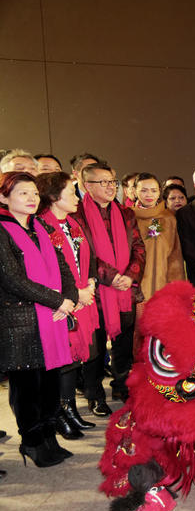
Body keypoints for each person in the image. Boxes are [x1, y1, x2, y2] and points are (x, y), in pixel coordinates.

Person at [0, 172, 77, 467]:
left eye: (34, 193)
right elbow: (12, 279)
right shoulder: (2, 231)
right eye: (22, 193)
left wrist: (68, 298)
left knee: (49, 383)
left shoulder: (40, 228)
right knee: (27, 385)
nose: (31, 198)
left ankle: (48, 435)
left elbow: (64, 268)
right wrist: (58, 300)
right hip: (19, 321)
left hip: (50, 317)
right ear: (4, 198)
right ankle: (31, 441)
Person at [71, 162, 145, 410]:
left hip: (126, 290)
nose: (109, 187)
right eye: (102, 182)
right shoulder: (75, 214)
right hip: (96, 292)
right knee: (95, 347)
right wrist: (111, 276)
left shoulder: (126, 213)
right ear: (85, 185)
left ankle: (122, 387)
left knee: (124, 345)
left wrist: (130, 275)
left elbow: (138, 248)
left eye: (112, 182)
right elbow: (83, 254)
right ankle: (95, 395)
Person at [36, 171, 100, 441]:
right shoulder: (41, 226)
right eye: (71, 192)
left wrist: (92, 283)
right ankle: (61, 412)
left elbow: (90, 257)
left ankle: (70, 409)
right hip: (61, 303)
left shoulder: (73, 224)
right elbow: (47, 271)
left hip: (82, 297)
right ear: (53, 197)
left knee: (76, 360)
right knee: (63, 360)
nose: (76, 197)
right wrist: (77, 293)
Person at [132, 173, 185, 301]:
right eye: (144, 190)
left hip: (163, 286)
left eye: (153, 190)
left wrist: (177, 289)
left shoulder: (168, 218)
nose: (149, 195)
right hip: (135, 287)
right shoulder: (128, 217)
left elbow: (175, 258)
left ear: (159, 192)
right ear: (134, 191)